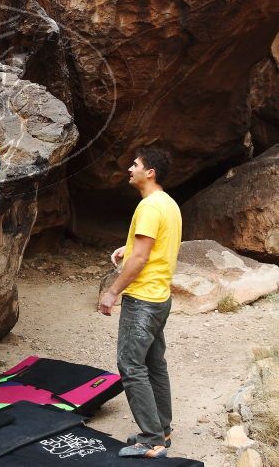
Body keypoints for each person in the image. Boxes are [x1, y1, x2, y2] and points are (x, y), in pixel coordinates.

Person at [97, 146, 182, 459]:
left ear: (150, 173)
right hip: (161, 298)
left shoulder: (148, 207)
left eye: (135, 164)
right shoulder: (167, 204)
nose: (129, 169)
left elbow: (143, 258)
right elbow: (149, 246)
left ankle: (151, 440)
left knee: (131, 365)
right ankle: (163, 429)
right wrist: (128, 247)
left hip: (143, 300)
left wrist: (113, 290)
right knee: (154, 364)